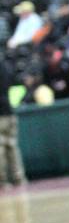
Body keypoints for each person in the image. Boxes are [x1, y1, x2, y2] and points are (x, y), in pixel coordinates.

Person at [0, 53, 26, 188]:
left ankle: (2, 181)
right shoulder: (5, 64)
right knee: (12, 146)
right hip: (9, 110)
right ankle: (19, 178)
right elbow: (16, 83)